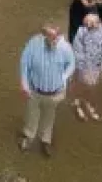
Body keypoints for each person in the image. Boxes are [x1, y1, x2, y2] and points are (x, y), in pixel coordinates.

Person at [18, 23, 76, 157]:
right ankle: (28, 136)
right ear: (44, 35)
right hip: (34, 91)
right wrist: (24, 83)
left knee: (49, 116)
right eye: (51, 37)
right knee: (32, 114)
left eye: (56, 37)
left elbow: (71, 63)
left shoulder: (65, 48)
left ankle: (45, 140)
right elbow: (24, 63)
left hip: (55, 93)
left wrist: (64, 77)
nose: (54, 40)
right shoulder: (33, 44)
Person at [70, 11, 102, 122]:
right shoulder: (81, 32)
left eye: (93, 23)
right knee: (81, 85)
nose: (91, 26)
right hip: (83, 67)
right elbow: (77, 51)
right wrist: (83, 68)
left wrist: (101, 64)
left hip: (95, 66)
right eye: (88, 23)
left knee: (91, 87)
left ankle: (87, 103)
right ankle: (77, 102)